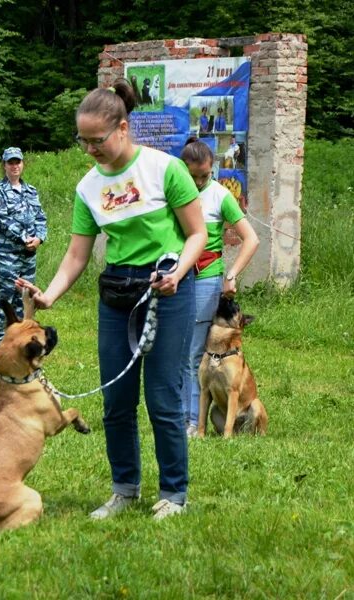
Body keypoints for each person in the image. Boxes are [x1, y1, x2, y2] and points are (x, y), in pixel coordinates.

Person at [17, 80, 207, 520]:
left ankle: (174, 494)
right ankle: (125, 489)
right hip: (118, 292)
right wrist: (49, 294)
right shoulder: (88, 186)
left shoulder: (165, 169)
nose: (89, 150)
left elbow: (198, 233)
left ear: (122, 128)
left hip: (168, 289)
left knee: (163, 398)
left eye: (96, 140)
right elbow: (78, 253)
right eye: (82, 141)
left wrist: (178, 272)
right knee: (117, 402)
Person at [179, 138, 259, 437]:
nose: (200, 182)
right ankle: (180, 414)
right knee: (175, 350)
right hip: (174, 277)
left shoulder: (219, 195)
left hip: (205, 276)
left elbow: (251, 239)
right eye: (194, 176)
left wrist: (232, 274)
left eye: (205, 175)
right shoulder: (172, 190)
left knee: (193, 352)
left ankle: (191, 422)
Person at [0, 147, 47, 352]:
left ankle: (19, 340)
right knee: (2, 298)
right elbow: (0, 219)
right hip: (5, 254)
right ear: (4, 165)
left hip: (28, 254)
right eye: (10, 162)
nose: (14, 166)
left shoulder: (31, 191)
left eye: (18, 162)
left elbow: (40, 217)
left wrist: (39, 238)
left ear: (23, 164)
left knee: (25, 298)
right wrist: (23, 237)